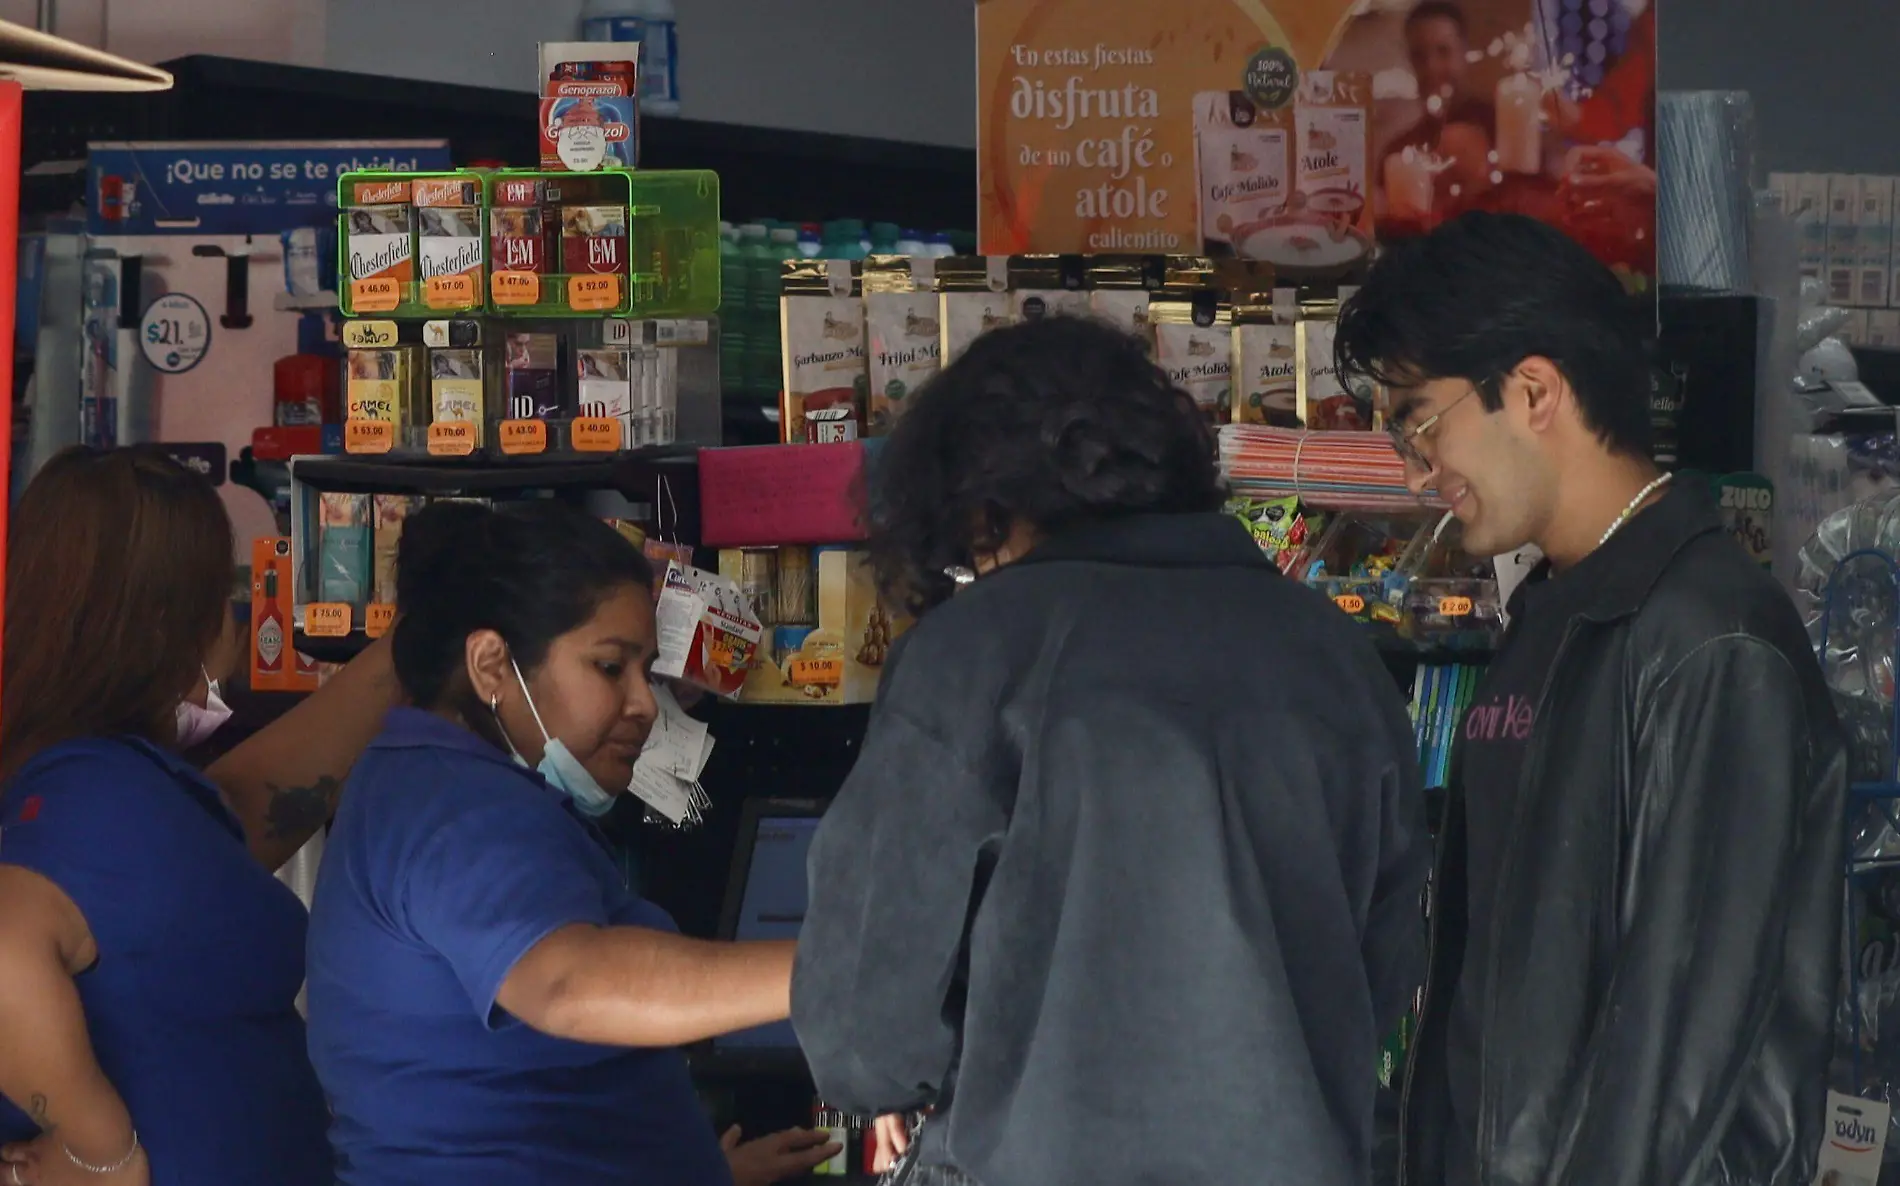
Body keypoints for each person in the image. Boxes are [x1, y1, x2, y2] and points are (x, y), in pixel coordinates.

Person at [791, 316, 1431, 1186]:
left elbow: (864, 1030)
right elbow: (1386, 966)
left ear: (979, 506)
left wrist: (934, 1071)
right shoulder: (1336, 653)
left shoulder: (976, 652)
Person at [1333, 211, 1846, 1186]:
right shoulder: (1552, 613)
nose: (1414, 470)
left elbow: (1673, 1057)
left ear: (1532, 391)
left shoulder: (1709, 640)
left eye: (1420, 421)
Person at [305, 500, 837, 1186]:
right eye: (611, 668)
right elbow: (568, 983)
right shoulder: (458, 808)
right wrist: (843, 972)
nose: (644, 704)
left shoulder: (434, 782)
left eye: (646, 671)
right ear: (492, 665)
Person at [0, 445, 402, 1186]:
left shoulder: (120, 784)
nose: (238, 619)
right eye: (224, 593)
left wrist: (409, 648)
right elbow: (5, 950)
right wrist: (101, 1151)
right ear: (163, 621)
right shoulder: (91, 794)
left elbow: (244, 810)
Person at [1386, 1, 1494, 214]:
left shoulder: (1501, 130)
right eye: (1419, 56)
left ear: (1464, 52)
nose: (1431, 67)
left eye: (1443, 52)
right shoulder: (1400, 153)